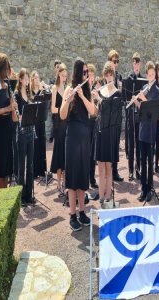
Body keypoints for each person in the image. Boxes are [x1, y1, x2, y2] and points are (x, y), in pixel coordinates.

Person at [60, 58, 95, 232]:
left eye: (87, 72)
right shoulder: (69, 88)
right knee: (72, 178)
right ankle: (72, 215)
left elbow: (93, 112)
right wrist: (70, 98)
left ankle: (82, 212)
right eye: (84, 71)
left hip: (84, 138)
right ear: (77, 72)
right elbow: (62, 114)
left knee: (82, 177)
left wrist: (82, 95)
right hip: (72, 138)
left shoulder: (86, 91)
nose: (86, 74)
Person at [93, 61, 122, 207]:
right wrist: (95, 99)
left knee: (109, 167)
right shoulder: (101, 91)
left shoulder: (117, 93)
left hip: (110, 132)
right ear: (104, 76)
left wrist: (99, 99)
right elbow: (98, 113)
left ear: (114, 75)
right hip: (100, 131)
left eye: (111, 75)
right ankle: (101, 197)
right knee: (101, 166)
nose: (109, 77)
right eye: (107, 75)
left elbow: (114, 115)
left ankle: (108, 196)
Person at [0, 53, 18, 189]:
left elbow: (11, 106)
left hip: (9, 126)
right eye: (6, 68)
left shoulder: (7, 85)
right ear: (0, 69)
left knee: (8, 164)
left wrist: (13, 106)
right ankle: (1, 193)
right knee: (1, 164)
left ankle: (6, 194)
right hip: (0, 126)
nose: (8, 71)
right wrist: (7, 108)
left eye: (9, 68)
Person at [133, 61, 159, 202]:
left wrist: (143, 99)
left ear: (155, 74)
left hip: (151, 130)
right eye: (148, 74)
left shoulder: (156, 90)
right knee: (142, 161)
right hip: (143, 129)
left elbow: (153, 109)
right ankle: (143, 188)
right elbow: (142, 110)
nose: (150, 76)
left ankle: (150, 188)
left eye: (152, 74)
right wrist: (136, 102)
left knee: (150, 161)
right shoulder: (143, 87)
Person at [14, 68, 35, 206]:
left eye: (28, 79)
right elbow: (16, 115)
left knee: (30, 165)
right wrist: (21, 115)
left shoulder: (29, 93)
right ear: (20, 79)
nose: (27, 81)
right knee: (22, 166)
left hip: (30, 132)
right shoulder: (16, 95)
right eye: (26, 79)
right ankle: (21, 196)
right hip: (21, 133)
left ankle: (29, 194)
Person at [50, 63, 68, 197]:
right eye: (62, 75)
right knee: (59, 153)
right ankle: (58, 183)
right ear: (58, 75)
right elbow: (52, 109)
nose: (64, 78)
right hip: (58, 124)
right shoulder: (55, 88)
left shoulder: (67, 89)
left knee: (66, 154)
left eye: (66, 76)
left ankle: (66, 183)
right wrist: (63, 108)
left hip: (66, 124)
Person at [107, 49, 124, 182]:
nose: (116, 64)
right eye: (114, 61)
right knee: (108, 143)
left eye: (117, 61)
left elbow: (121, 96)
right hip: (108, 116)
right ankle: (108, 171)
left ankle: (115, 171)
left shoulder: (119, 76)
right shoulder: (105, 76)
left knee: (116, 144)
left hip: (117, 115)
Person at [126, 52, 143, 181]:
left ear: (140, 65)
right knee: (131, 143)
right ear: (132, 64)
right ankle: (130, 169)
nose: (136, 65)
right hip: (130, 114)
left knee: (139, 142)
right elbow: (124, 97)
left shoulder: (143, 80)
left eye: (138, 62)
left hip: (140, 115)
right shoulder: (129, 79)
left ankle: (138, 168)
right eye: (134, 62)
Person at [30, 71, 47, 179]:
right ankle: (35, 171)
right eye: (35, 78)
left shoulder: (42, 91)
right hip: (34, 121)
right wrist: (40, 90)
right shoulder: (30, 91)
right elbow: (33, 100)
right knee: (35, 146)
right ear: (32, 80)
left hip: (41, 120)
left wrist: (44, 89)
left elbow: (45, 102)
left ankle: (42, 170)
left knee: (42, 144)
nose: (37, 79)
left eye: (38, 77)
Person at [87, 63, 98, 189]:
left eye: (92, 75)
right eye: (89, 75)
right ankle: (86, 178)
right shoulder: (85, 90)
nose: (90, 77)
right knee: (86, 152)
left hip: (93, 122)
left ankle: (92, 178)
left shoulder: (95, 90)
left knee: (93, 153)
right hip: (86, 123)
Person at [49, 59, 61, 143]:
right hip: (55, 106)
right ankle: (52, 136)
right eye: (57, 67)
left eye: (59, 67)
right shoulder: (52, 81)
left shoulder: (63, 80)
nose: (58, 68)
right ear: (54, 68)